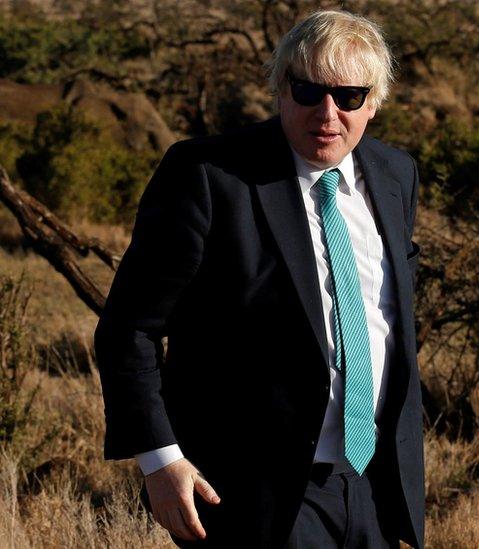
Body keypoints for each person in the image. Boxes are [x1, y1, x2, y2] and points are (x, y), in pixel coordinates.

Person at [94, 10, 424, 548]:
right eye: (308, 91)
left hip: (373, 488)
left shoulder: (395, 175)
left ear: (375, 102)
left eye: (349, 97)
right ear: (280, 89)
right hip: (256, 495)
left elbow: (389, 319)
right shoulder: (207, 176)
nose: (327, 113)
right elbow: (129, 328)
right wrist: (159, 459)